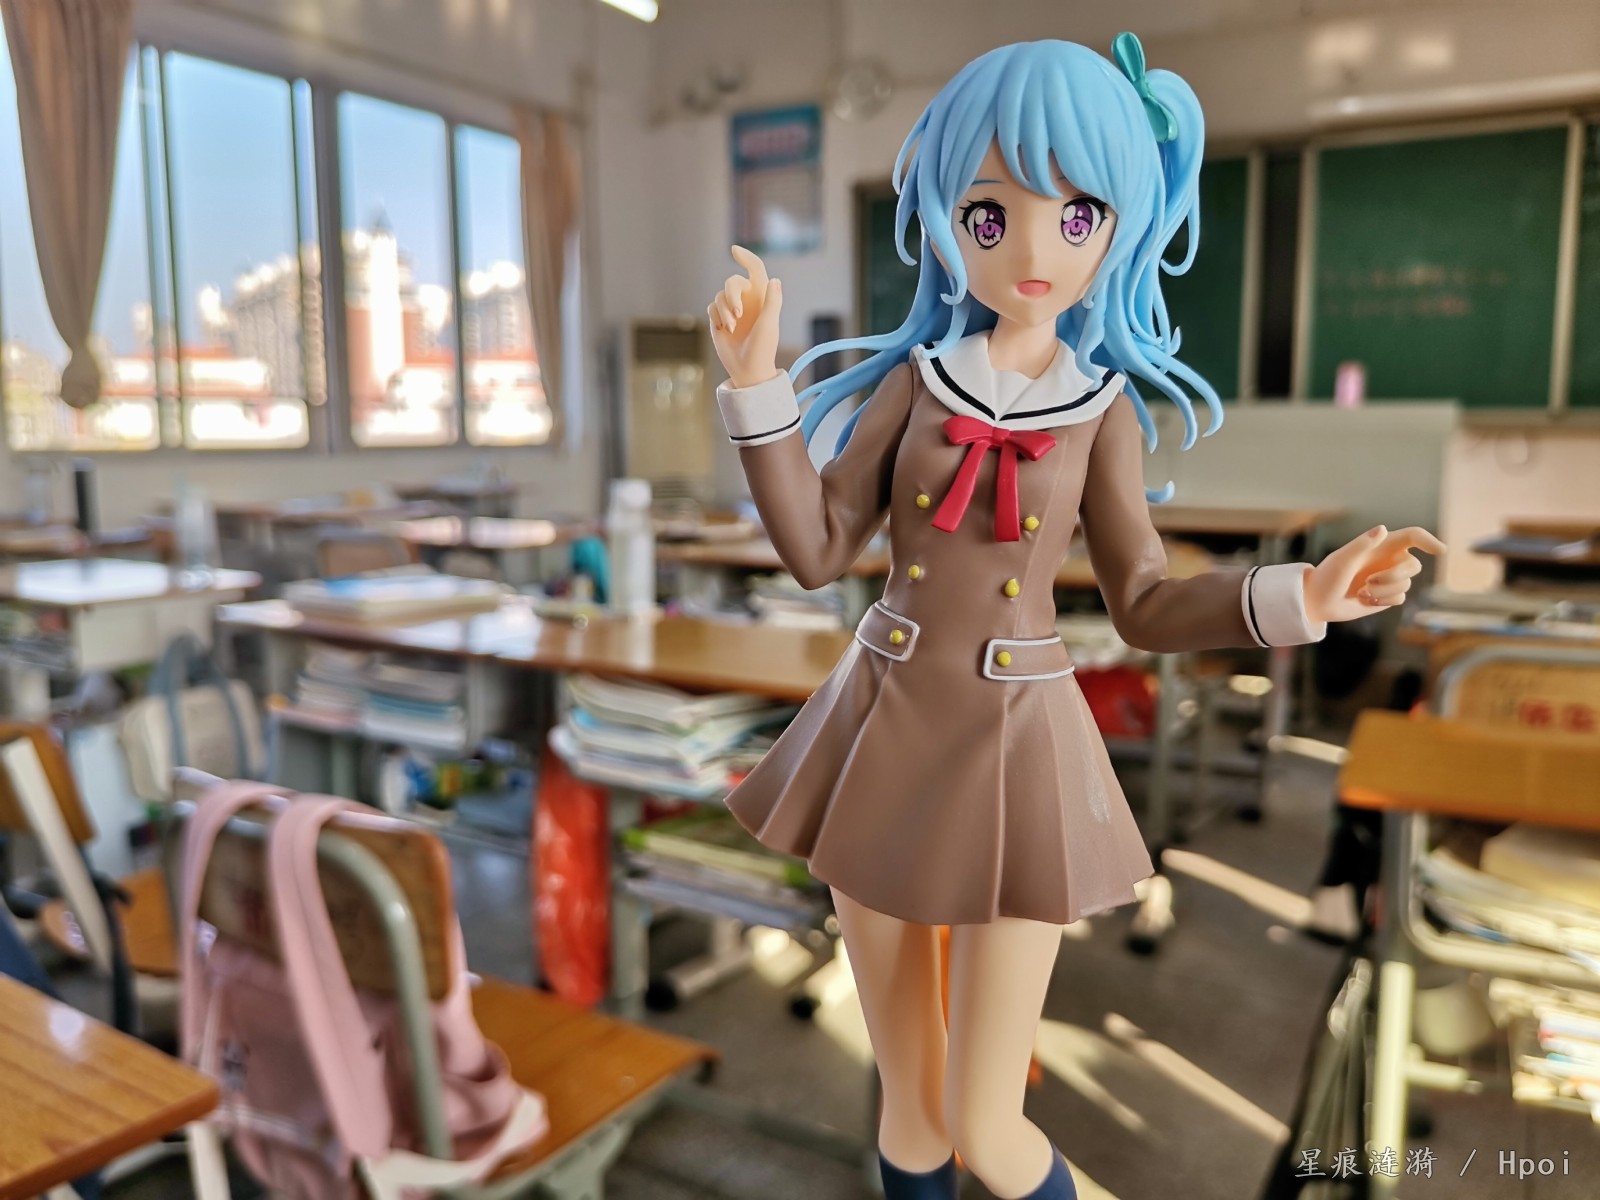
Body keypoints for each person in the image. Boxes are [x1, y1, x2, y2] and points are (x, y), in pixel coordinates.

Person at [705, 34, 1443, 1200]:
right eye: (990, 215)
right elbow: (816, 547)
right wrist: (755, 387)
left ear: (1120, 227)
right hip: (882, 724)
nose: (1034, 250)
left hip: (1016, 742)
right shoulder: (914, 381)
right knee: (912, 1111)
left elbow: (1143, 599)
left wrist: (1299, 595)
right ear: (947, 219)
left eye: (1079, 215)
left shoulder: (1102, 411)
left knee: (988, 1126)